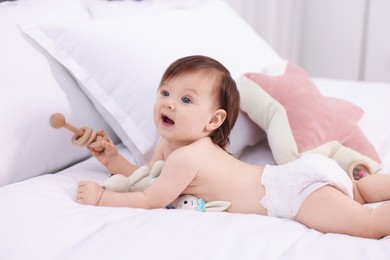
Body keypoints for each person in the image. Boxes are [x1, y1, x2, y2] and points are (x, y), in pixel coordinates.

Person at [77, 55, 390, 239]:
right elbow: (147, 178)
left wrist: (103, 197)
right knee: (359, 192)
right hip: (296, 177)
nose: (170, 104)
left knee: (371, 225)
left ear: (213, 120)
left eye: (186, 99)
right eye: (165, 92)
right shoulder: (170, 147)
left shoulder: (188, 157)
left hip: (295, 195)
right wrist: (113, 159)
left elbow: (150, 198)